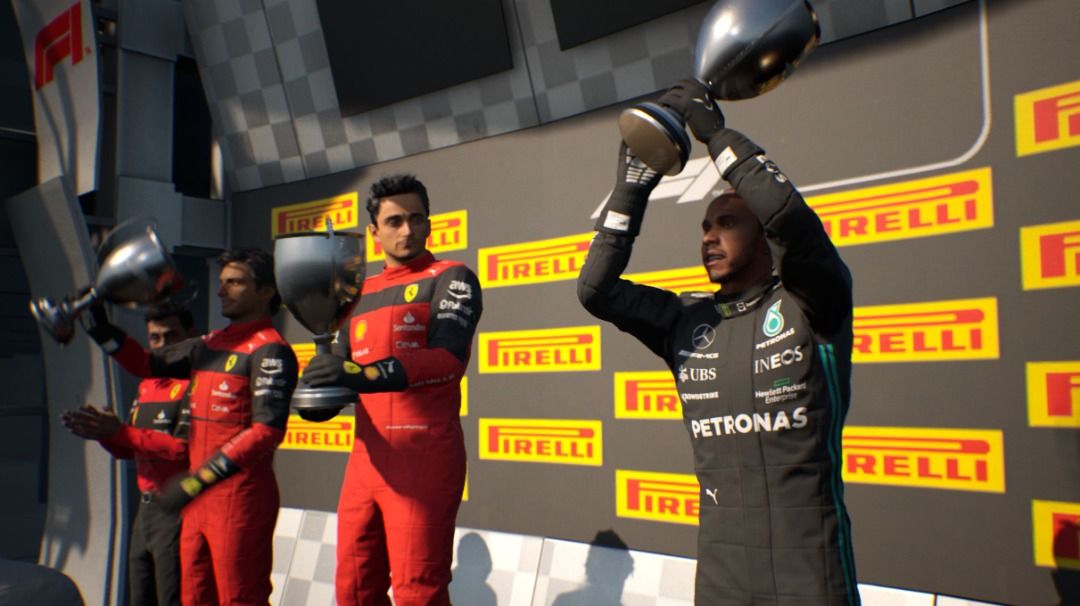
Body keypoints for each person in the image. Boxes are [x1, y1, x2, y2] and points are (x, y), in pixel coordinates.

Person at [577, 79, 859, 605]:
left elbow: (789, 219)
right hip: (721, 582)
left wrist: (716, 136)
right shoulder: (684, 321)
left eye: (727, 222)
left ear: (764, 238)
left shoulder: (811, 305)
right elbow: (596, 290)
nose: (709, 235)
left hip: (812, 579)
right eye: (706, 226)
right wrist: (630, 191)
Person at [303, 174, 483, 605]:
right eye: (395, 221)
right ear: (374, 231)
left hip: (425, 456)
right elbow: (340, 376)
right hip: (365, 461)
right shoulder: (357, 293)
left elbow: (446, 361)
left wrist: (361, 374)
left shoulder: (452, 277)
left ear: (429, 224)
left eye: (416, 219)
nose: (407, 230)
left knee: (417, 592)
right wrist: (317, 395)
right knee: (354, 590)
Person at [84, 249, 299, 606]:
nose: (221, 291)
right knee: (193, 597)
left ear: (266, 291)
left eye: (234, 282)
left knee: (239, 598)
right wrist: (98, 326)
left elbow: (267, 431)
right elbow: (145, 363)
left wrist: (199, 479)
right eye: (221, 282)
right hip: (197, 500)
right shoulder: (209, 344)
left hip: (239, 500)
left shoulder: (271, 350)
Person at [62, 305, 197, 606]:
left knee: (173, 598)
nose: (163, 345)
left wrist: (120, 432)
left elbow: (183, 449)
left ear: (191, 336)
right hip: (146, 511)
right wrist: (103, 433)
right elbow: (128, 450)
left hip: (181, 510)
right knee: (139, 597)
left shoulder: (196, 385)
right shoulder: (147, 385)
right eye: (155, 338)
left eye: (171, 336)